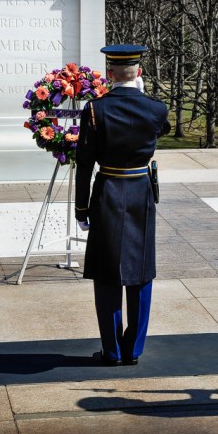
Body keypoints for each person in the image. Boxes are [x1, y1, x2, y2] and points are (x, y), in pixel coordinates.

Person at [75, 44, 170, 366]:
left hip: (108, 191)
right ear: (139, 73)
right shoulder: (157, 108)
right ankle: (134, 349)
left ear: (110, 74)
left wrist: (81, 208)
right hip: (141, 190)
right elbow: (162, 130)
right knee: (141, 271)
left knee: (107, 273)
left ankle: (112, 350)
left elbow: (85, 164)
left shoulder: (94, 110)